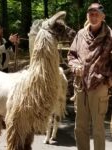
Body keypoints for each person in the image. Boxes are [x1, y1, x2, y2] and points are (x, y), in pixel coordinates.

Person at [67, 3, 112, 150]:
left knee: (98, 128)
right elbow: (71, 55)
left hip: (99, 86)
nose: (93, 17)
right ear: (87, 16)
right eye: (91, 14)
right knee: (80, 127)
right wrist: (75, 67)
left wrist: (108, 78)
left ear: (103, 16)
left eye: (96, 14)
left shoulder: (110, 36)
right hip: (80, 86)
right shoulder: (80, 34)